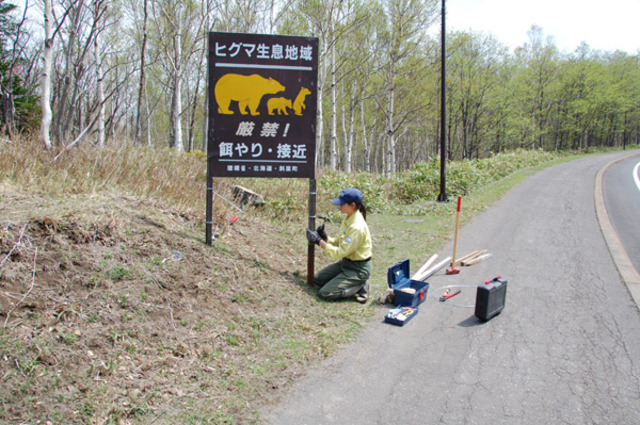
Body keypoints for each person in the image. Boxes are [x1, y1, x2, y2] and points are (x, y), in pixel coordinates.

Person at [306, 187, 372, 303]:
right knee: (318, 279)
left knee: (325, 293)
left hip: (358, 269)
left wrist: (319, 242)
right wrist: (325, 237)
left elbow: (339, 252)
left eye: (342, 203)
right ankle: (346, 281)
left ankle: (359, 285)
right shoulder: (349, 218)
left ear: (352, 205)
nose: (340, 205)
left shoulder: (357, 227)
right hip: (346, 263)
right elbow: (341, 242)